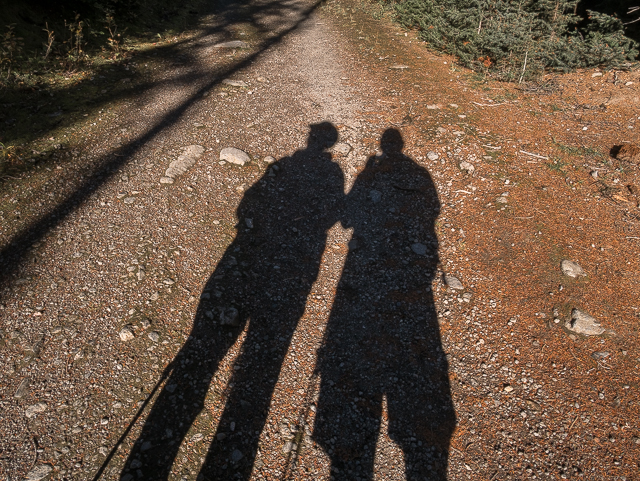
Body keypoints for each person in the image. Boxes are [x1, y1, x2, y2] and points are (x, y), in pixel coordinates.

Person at [121, 122, 345, 480]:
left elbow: (250, 203)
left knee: (199, 356)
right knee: (259, 352)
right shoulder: (332, 171)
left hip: (256, 251)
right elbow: (337, 214)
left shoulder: (288, 166)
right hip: (299, 262)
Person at [313, 129, 455, 480]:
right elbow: (433, 210)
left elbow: (345, 218)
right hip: (417, 272)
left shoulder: (372, 170)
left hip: (367, 261)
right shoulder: (420, 174)